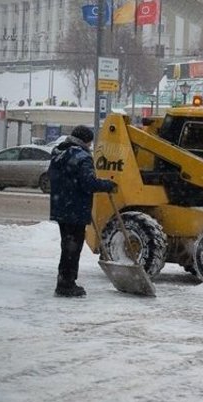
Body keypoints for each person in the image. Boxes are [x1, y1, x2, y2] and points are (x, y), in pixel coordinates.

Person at [49, 125, 116, 297]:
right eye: (90, 142)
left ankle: (64, 281)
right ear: (85, 141)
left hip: (61, 206)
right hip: (76, 209)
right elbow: (88, 183)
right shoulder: (82, 157)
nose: (90, 145)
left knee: (67, 246)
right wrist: (107, 185)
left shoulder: (58, 153)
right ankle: (66, 285)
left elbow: (55, 178)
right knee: (73, 248)